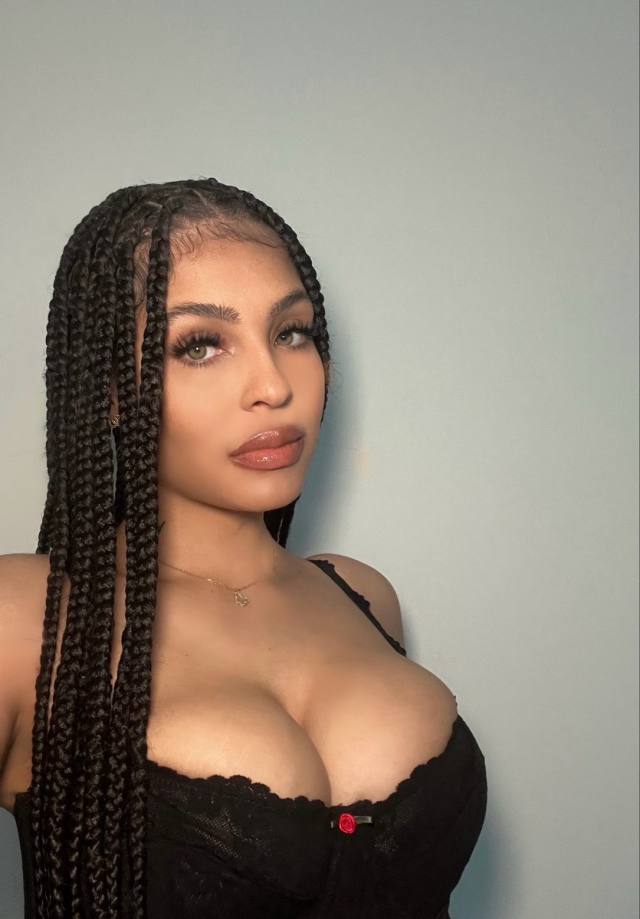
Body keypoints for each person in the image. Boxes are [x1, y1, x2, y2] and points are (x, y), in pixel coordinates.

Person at [0, 178, 487, 918]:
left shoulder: (361, 594)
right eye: (200, 345)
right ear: (110, 389)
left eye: (292, 333)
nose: (273, 385)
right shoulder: (24, 621)